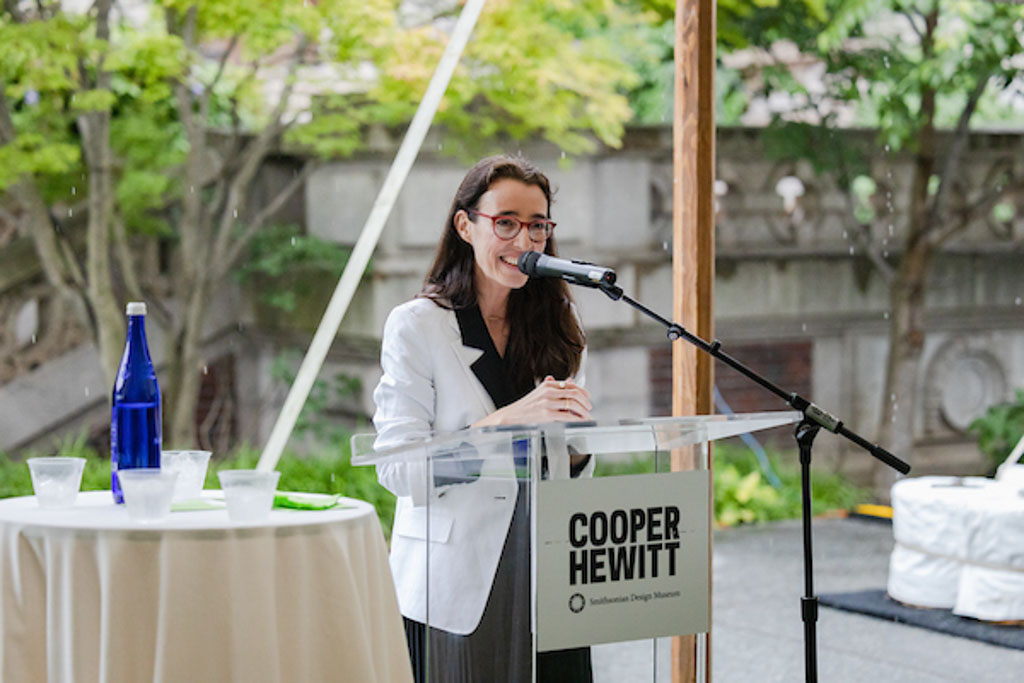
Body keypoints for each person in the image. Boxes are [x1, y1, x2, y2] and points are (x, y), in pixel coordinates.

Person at [372, 154, 594, 682]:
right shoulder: (417, 327)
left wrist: (579, 446)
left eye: (537, 226)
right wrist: (505, 423)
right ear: (465, 226)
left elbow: (568, 463)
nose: (524, 242)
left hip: (550, 575)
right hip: (454, 584)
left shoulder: (559, 324)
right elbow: (398, 470)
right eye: (507, 223)